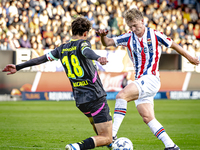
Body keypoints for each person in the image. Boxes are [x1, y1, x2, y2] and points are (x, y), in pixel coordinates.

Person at [96, 8, 200, 150]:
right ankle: (171, 146)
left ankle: (112, 136)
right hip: (140, 81)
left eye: (135, 25)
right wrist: (102, 36)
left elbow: (174, 45)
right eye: (130, 26)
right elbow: (107, 43)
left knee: (121, 96)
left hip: (151, 78)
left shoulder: (155, 35)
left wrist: (191, 58)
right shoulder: (128, 37)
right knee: (148, 118)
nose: (133, 29)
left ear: (142, 21)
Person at [2, 17, 113, 150]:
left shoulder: (62, 48)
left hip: (80, 98)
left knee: (95, 123)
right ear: (85, 34)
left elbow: (40, 59)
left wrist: (18, 67)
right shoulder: (83, 43)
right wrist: (97, 57)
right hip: (95, 95)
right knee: (107, 137)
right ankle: (77, 147)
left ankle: (112, 145)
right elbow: (86, 51)